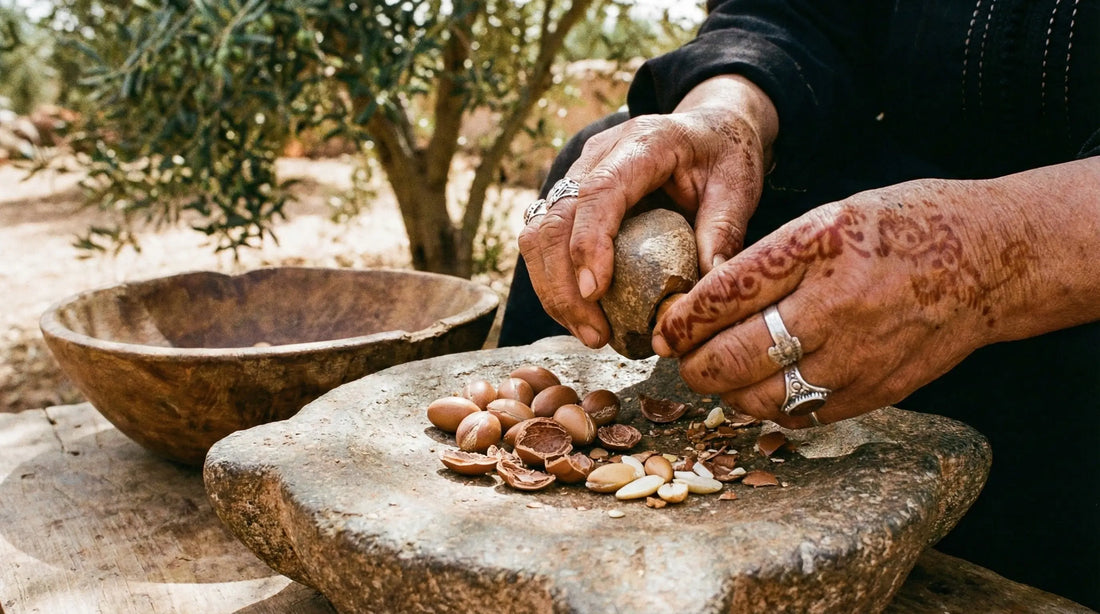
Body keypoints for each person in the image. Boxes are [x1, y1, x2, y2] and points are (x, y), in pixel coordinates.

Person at [498, 0, 1100, 608]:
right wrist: (724, 113)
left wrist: (989, 255)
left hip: (1074, 228)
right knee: (596, 164)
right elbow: (789, 13)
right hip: (888, 163)